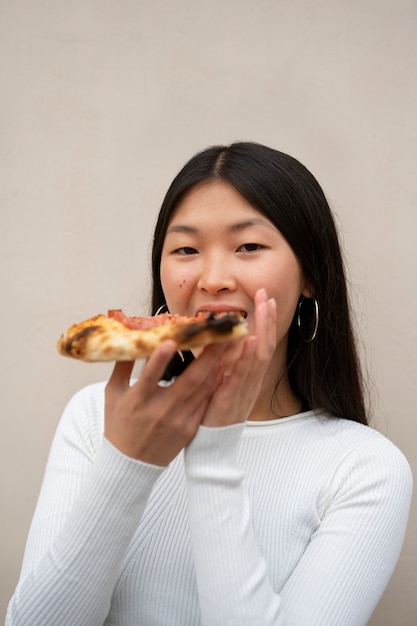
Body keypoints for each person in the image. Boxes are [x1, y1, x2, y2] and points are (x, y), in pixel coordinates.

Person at [7, 142, 412, 625]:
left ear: (311, 276)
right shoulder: (97, 417)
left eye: (249, 247)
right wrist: (126, 461)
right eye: (186, 249)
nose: (213, 278)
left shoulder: (364, 468)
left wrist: (215, 451)